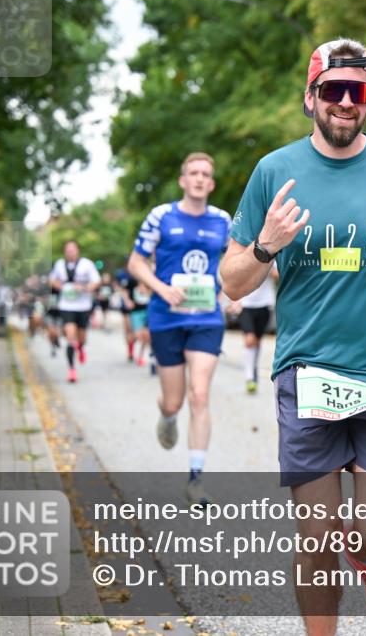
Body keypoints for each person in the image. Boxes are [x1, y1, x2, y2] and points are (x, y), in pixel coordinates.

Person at [219, 38, 366, 633]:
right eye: (334, 90)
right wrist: (266, 243)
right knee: (316, 541)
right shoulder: (275, 171)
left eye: (359, 91)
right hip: (308, 371)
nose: (346, 102)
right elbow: (233, 282)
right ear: (311, 97)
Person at [128, 152, 232, 507]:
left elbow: (234, 264)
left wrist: (235, 294)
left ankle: (195, 479)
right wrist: (160, 287)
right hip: (166, 316)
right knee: (174, 400)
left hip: (206, 318)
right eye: (193, 173)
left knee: (199, 394)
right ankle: (167, 415)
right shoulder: (161, 216)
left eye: (206, 173)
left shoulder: (222, 221)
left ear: (211, 183)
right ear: (183, 180)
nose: (200, 178)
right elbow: (135, 262)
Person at [49, 240, 100, 383]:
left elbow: (96, 281)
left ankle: (81, 347)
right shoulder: (59, 265)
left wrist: (83, 288)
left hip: (83, 306)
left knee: (82, 337)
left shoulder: (87, 264)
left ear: (78, 250)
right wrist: (58, 285)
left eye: (72, 249)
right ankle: (72, 370)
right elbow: (51, 280)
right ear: (65, 251)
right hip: (66, 306)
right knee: (70, 335)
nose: (70, 252)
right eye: (67, 250)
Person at [228, 263, 277, 393]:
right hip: (246, 305)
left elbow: (278, 276)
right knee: (249, 340)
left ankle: (253, 369)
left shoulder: (273, 257)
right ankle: (249, 376)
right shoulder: (247, 256)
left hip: (265, 304)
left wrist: (268, 268)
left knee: (257, 341)